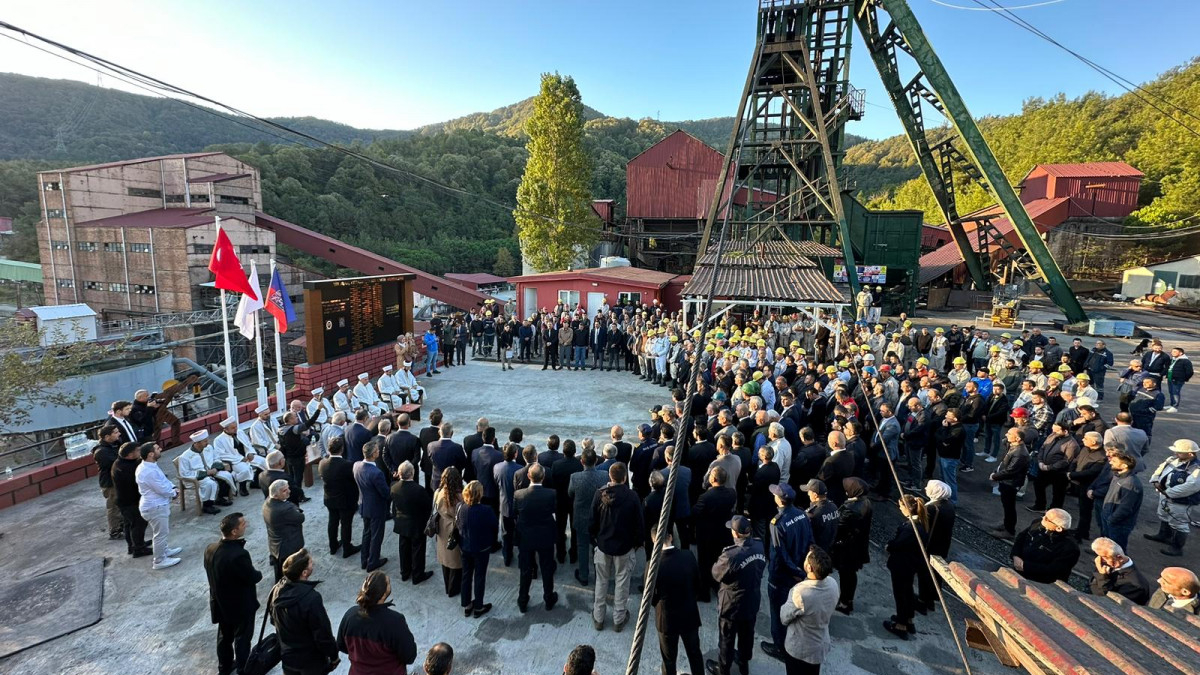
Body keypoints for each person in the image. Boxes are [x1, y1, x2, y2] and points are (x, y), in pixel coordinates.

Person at [706, 516, 766, 675]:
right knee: (747, 635)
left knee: (726, 639)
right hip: (751, 601)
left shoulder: (730, 555)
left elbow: (716, 573)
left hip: (731, 605)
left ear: (736, 534)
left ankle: (723, 669)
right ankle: (744, 664)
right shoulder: (759, 545)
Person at [204, 512, 262, 675]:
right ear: (234, 531)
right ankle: (244, 669)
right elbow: (252, 577)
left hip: (220, 603)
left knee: (224, 637)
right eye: (243, 524)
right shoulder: (238, 555)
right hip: (239, 605)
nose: (247, 524)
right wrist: (258, 573)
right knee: (242, 639)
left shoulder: (210, 549)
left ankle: (224, 667)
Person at [269, 549, 340, 675]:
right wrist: (333, 656)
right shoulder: (311, 599)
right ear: (304, 572)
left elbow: (274, 620)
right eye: (311, 563)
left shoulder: (277, 590)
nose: (314, 564)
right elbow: (322, 634)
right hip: (311, 662)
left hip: (288, 659)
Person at [763, 484, 812, 662]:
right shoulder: (802, 514)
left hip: (782, 575)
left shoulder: (777, 522)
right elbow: (810, 541)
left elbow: (779, 554)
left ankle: (779, 647)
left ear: (779, 499)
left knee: (778, 611)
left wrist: (791, 571)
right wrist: (802, 570)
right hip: (800, 570)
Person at [591, 462, 643, 631]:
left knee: (601, 581)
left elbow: (592, 521)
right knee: (622, 582)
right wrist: (636, 543)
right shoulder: (632, 496)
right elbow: (639, 524)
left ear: (610, 477)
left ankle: (598, 617)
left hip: (604, 545)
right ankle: (618, 619)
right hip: (624, 547)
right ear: (625, 477)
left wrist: (596, 540)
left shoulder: (599, 495)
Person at [335, 570, 418, 674]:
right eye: (388, 583)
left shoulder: (350, 616)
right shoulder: (395, 621)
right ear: (383, 594)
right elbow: (409, 656)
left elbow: (342, 646)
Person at [651, 530, 704, 675]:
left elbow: (651, 597)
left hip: (667, 621)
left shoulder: (653, 566)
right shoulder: (688, 556)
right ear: (670, 537)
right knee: (695, 655)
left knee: (669, 661)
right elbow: (697, 584)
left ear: (654, 541)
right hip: (689, 616)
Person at [780, 547, 840, 675]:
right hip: (819, 645)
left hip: (800, 648)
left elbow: (784, 617)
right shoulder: (833, 584)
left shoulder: (800, 592)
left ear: (809, 568)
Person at [882, 495, 928, 639]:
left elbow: (898, 544)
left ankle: (901, 625)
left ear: (907, 509)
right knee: (907, 592)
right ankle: (908, 619)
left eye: (901, 506)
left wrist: (889, 546)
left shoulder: (910, 529)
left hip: (902, 565)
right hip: (911, 565)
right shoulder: (921, 524)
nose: (900, 509)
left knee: (900, 594)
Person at [515, 463, 558, 612]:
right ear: (544, 477)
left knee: (525, 570)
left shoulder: (519, 495)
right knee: (547, 568)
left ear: (528, 476)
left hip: (526, 537)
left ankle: (523, 600)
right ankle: (548, 598)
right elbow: (554, 511)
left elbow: (516, 513)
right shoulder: (551, 494)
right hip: (545, 536)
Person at [1145, 439, 1200, 557]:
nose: (1176, 454)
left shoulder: (1196, 469)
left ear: (1190, 454)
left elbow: (1190, 487)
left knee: (1179, 523)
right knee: (1164, 515)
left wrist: (1167, 493)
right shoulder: (1173, 460)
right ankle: (1164, 535)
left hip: (1180, 501)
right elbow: (1160, 469)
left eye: (1179, 452)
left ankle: (1177, 548)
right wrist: (1155, 480)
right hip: (1165, 495)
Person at [692, 467, 737, 602]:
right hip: (723, 533)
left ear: (713, 479)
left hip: (706, 534)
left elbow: (695, 512)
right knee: (720, 560)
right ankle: (717, 586)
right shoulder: (732, 493)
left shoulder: (705, 497)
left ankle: (704, 592)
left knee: (704, 563)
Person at [135, 441, 181, 570]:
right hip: (155, 506)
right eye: (157, 448)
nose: (160, 449)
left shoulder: (151, 465)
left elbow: (163, 481)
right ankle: (159, 560)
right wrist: (173, 493)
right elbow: (160, 488)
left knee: (163, 532)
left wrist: (173, 487)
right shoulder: (147, 471)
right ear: (150, 454)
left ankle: (164, 551)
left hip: (157, 504)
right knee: (160, 534)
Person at [457, 480, 499, 618]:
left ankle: (467, 604)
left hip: (465, 547)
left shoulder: (461, 508)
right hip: (481, 548)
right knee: (480, 576)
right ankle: (479, 606)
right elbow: (494, 526)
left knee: (466, 575)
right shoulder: (486, 510)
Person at [831, 478, 872, 614]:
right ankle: (848, 600)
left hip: (847, 549)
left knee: (846, 575)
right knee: (850, 575)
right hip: (857, 547)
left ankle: (845, 602)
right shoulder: (865, 503)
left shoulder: (851, 509)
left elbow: (839, 526)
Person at [568, 448, 608, 586]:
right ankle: (599, 576)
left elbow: (570, 493)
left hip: (581, 518)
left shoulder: (575, 477)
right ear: (596, 461)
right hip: (599, 518)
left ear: (581, 461)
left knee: (582, 546)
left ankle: (584, 576)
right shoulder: (604, 475)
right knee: (598, 547)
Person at [391, 461, 434, 585]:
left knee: (403, 548)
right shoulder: (419, 490)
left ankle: (405, 572)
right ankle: (418, 574)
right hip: (416, 525)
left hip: (401, 524)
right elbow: (427, 507)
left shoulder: (394, 487)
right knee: (418, 550)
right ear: (412, 473)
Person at [317, 436, 360, 559]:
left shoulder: (322, 463)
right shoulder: (347, 465)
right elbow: (354, 481)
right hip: (345, 500)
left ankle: (333, 546)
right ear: (342, 449)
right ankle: (347, 547)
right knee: (346, 524)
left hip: (330, 498)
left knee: (333, 522)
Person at [1011, 508, 1081, 584]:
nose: (1043, 518)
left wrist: (1025, 566)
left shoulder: (1070, 548)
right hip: (1019, 571)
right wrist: (1016, 555)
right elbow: (1021, 538)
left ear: (1059, 528)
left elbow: (1054, 570)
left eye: (1047, 518)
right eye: (1045, 514)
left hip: (1041, 583)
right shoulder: (1037, 523)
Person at [919, 480, 956, 611]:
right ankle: (931, 599)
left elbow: (924, 526)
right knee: (935, 573)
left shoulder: (932, 508)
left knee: (925, 574)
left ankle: (923, 600)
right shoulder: (949, 505)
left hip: (931, 545)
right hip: (942, 545)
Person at [354, 442, 391, 572]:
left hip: (364, 505)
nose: (379, 452)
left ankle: (364, 560)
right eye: (377, 450)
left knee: (367, 533)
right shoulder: (376, 473)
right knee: (376, 536)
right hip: (376, 508)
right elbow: (385, 493)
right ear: (374, 454)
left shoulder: (356, 465)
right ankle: (373, 561)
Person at [111, 442, 151, 558]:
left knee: (129, 525)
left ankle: (133, 545)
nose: (140, 453)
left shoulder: (122, 463)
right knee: (138, 524)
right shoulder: (126, 468)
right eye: (138, 451)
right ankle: (138, 548)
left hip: (124, 501)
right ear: (129, 455)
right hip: (130, 502)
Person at [263, 479, 306, 582]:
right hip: (288, 545)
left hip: (275, 544)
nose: (289, 492)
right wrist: (294, 509)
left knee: (279, 571)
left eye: (288, 488)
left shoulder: (268, 502)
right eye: (284, 491)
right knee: (292, 571)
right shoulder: (285, 509)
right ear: (276, 495)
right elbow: (301, 518)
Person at [990, 428, 1030, 537]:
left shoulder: (1020, 453)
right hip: (1006, 481)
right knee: (1007, 506)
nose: (1006, 434)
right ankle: (1006, 524)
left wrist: (995, 476)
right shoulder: (1014, 446)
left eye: (1009, 434)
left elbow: (1010, 470)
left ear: (1017, 438)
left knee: (1009, 507)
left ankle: (1009, 530)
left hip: (1011, 483)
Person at [1086, 537, 1151, 605]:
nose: (1099, 560)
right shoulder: (1107, 564)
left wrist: (1102, 577)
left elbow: (1108, 603)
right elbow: (1091, 584)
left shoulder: (1136, 585)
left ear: (1119, 558)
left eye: (1104, 557)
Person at [1100, 450, 1142, 551]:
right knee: (1107, 546)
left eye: (1114, 461)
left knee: (1116, 550)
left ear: (1124, 466)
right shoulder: (1118, 476)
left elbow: (1126, 508)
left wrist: (1111, 520)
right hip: (1109, 517)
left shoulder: (1130, 483)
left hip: (1119, 524)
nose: (1110, 462)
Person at [1030, 422, 1077, 512]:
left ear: (1065, 431)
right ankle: (1040, 505)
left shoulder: (1072, 444)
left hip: (1059, 473)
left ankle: (1055, 511)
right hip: (1044, 468)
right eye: (1053, 430)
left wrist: (1049, 467)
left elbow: (1066, 461)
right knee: (1038, 485)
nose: (1053, 432)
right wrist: (1040, 462)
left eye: (1056, 431)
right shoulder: (1052, 436)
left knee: (1058, 493)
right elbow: (1043, 448)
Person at [434, 468, 465, 598]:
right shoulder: (460, 496)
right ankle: (453, 589)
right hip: (454, 528)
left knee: (445, 558)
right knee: (455, 560)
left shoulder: (438, 492)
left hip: (442, 526)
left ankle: (448, 586)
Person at [92, 425, 124, 539]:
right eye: (115, 433)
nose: (118, 434)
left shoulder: (115, 445)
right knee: (114, 507)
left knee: (121, 505)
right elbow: (117, 462)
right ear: (107, 436)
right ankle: (114, 531)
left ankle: (122, 526)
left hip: (118, 480)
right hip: (110, 483)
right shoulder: (101, 451)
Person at [493, 443, 522, 567]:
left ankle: (507, 556)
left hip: (504, 503)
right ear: (515, 454)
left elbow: (496, 483)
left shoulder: (497, 467)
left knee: (505, 533)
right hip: (518, 504)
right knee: (519, 531)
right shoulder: (520, 469)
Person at [429, 422, 467, 493]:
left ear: (439, 432)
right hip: (454, 483)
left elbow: (431, 461)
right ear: (451, 433)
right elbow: (463, 464)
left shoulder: (431, 446)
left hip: (437, 482)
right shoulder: (457, 448)